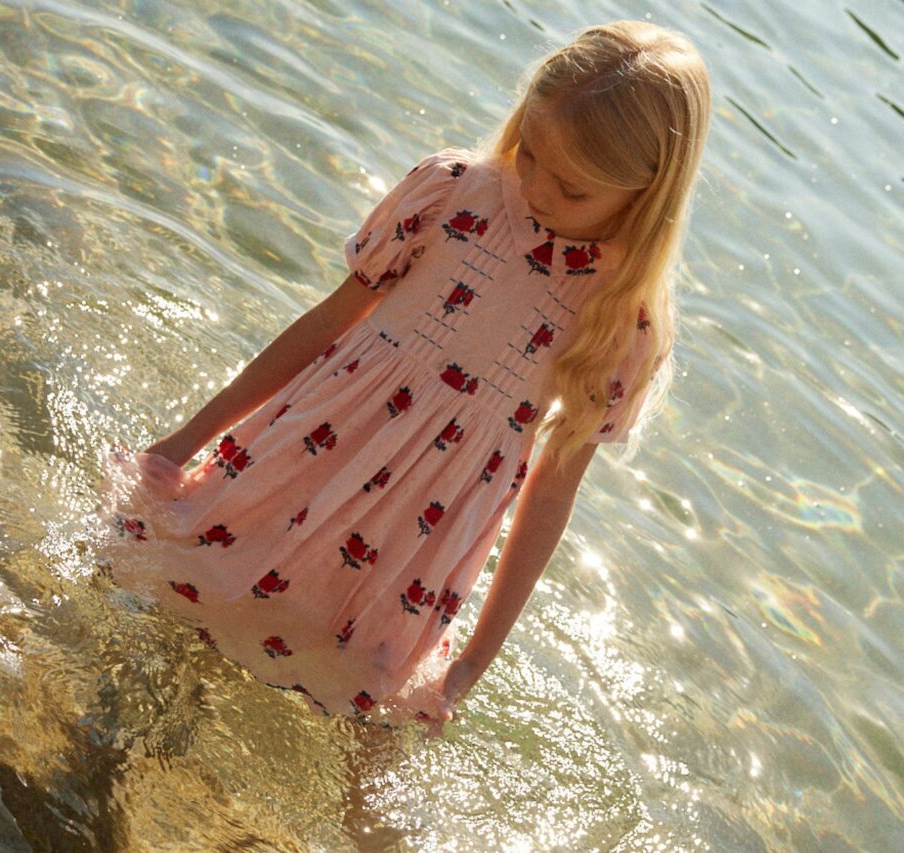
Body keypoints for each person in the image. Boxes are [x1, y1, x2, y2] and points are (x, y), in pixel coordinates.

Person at [94, 20, 709, 733]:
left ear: (645, 195)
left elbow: (551, 492)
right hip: (299, 468)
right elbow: (326, 324)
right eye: (531, 151)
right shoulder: (451, 195)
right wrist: (184, 441)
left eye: (569, 188)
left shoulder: (620, 320)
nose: (535, 186)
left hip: (407, 549)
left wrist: (472, 661)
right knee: (175, 615)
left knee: (364, 715)